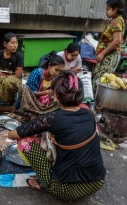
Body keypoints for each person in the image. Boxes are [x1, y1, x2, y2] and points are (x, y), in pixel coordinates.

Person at [8, 70, 106, 201]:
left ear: (55, 95)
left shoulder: (52, 118)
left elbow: (13, 134)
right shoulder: (89, 114)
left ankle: (46, 183)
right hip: (97, 182)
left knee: (25, 141)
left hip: (65, 190)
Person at [92, 0, 126, 91]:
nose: (106, 12)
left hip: (110, 56)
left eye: (108, 9)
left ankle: (96, 103)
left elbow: (117, 41)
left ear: (115, 9)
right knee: (101, 80)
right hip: (109, 56)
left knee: (99, 82)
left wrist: (102, 53)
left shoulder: (116, 21)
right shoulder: (118, 20)